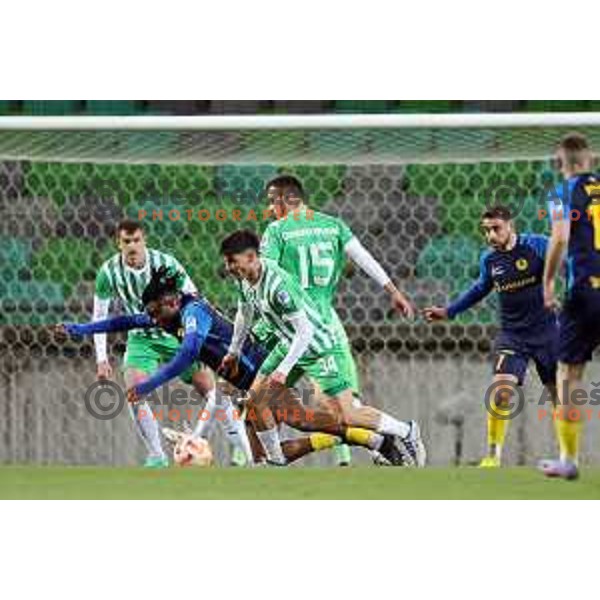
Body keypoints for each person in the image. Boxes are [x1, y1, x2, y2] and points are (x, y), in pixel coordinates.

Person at [55, 266, 406, 466]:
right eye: (150, 313)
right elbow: (124, 322)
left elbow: (188, 353)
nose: (151, 319)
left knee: (304, 421)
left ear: (170, 300)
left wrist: (149, 385)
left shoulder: (194, 313)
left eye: (155, 311)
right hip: (245, 383)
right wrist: (81, 329)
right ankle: (373, 441)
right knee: (268, 451)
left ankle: (381, 441)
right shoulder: (168, 314)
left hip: (260, 374)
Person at [220, 229, 426, 466]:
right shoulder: (246, 281)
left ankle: (406, 430)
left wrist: (283, 371)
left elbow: (305, 331)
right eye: (227, 263)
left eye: (231, 262)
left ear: (250, 256)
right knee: (255, 398)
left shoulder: (278, 285)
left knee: (347, 415)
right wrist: (233, 352)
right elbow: (244, 313)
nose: (228, 268)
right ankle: (274, 461)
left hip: (319, 349)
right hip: (288, 345)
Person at [260, 175, 415, 466]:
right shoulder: (333, 225)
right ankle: (269, 457)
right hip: (326, 325)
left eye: (272, 201)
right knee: (314, 405)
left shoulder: (276, 231)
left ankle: (392, 438)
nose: (269, 208)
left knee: (331, 408)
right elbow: (363, 258)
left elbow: (263, 276)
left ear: (286, 199)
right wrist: (393, 291)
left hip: (292, 327)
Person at [90, 219, 245, 467]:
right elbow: (100, 315)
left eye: (136, 240)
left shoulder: (166, 264)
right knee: (134, 392)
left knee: (213, 391)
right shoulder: (108, 273)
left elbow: (193, 298)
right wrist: (101, 358)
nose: (132, 246)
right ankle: (156, 455)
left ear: (145, 240)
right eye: (126, 241)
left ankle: (243, 453)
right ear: (118, 243)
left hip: (175, 333)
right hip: (142, 338)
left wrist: (198, 339)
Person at [423, 205, 558, 467]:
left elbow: (570, 261)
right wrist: (449, 311)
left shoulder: (538, 245)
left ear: (510, 225)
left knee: (558, 395)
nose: (491, 236)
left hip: (547, 332)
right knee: (501, 390)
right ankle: (494, 455)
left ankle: (567, 454)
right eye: (486, 231)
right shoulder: (490, 260)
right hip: (512, 336)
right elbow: (480, 288)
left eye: (496, 229)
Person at [540, 132, 600, 480]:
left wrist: (548, 283)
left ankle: (569, 458)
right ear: (590, 159)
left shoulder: (560, 193)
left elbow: (560, 236)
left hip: (584, 291)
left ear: (561, 162)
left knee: (569, 376)